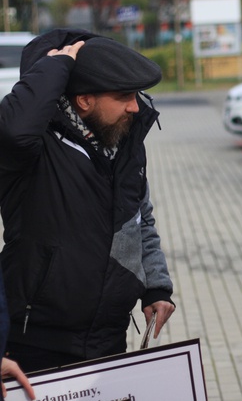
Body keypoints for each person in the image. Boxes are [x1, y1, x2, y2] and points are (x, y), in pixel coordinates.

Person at [0, 29, 175, 373]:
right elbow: (13, 130)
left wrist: (156, 285)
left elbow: (140, 219)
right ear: (84, 100)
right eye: (124, 95)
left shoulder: (124, 140)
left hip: (108, 337)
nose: (135, 106)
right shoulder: (36, 149)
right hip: (36, 341)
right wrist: (56, 64)